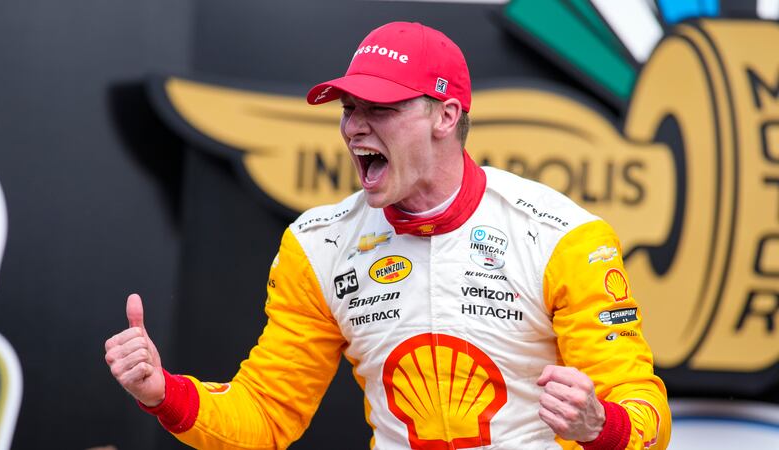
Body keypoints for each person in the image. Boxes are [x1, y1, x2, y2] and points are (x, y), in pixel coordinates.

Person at [105, 21, 671, 449]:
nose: (354, 126)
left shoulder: (561, 236)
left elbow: (644, 410)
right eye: (349, 108)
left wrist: (601, 425)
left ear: (445, 116)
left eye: (379, 108)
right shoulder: (319, 246)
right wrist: (164, 394)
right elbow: (267, 413)